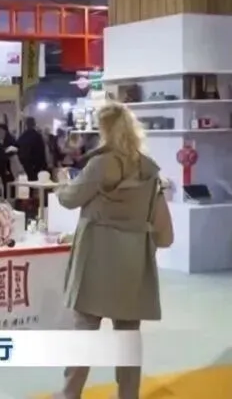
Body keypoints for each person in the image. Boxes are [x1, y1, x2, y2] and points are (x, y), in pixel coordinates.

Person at [55, 103, 161, 399]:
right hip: (134, 258)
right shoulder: (147, 168)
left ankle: (70, 392)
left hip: (97, 257)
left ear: (105, 129)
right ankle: (129, 394)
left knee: (85, 328)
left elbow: (70, 198)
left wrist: (63, 185)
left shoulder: (100, 165)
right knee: (128, 334)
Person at [16, 117, 49, 181]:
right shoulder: (37, 136)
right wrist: (44, 165)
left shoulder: (22, 136)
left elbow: (18, 149)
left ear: (26, 124)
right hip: (36, 164)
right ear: (34, 124)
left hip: (24, 164)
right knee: (35, 181)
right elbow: (41, 151)